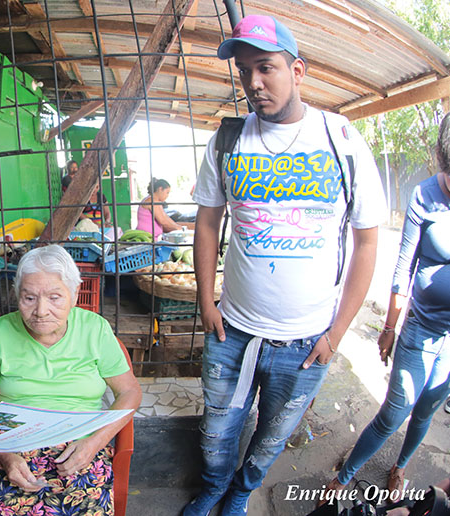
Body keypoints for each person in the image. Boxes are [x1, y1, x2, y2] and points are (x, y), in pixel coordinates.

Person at [185, 14, 384, 515]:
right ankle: (212, 487)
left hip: (306, 340)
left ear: (298, 70)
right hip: (232, 332)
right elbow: (207, 223)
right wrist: (206, 299)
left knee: (273, 435)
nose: (253, 82)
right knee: (216, 431)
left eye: (266, 67)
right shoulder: (227, 140)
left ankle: (241, 493)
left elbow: (366, 243)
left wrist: (337, 333)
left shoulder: (340, 139)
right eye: (245, 70)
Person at [320, 114, 450, 507]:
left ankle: (401, 466)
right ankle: (344, 477)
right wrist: (389, 327)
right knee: (396, 411)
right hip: (421, 330)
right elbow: (402, 268)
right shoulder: (426, 196)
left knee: (427, 407)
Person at [0, 244, 141, 515]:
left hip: (78, 446)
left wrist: (93, 444)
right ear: (16, 295)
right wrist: (6, 456)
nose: (41, 311)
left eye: (55, 297)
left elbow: (130, 393)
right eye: (29, 298)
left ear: (74, 294)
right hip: (13, 443)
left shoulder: (95, 330)